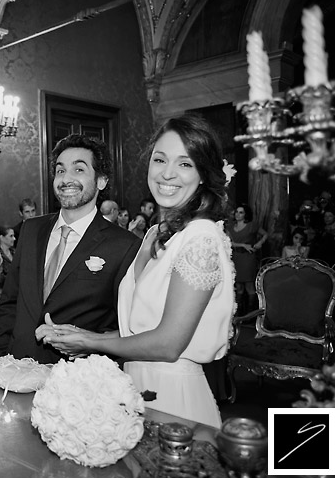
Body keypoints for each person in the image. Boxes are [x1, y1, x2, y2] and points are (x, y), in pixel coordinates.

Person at [38, 114, 236, 428]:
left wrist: (91, 343)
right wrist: (81, 334)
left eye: (185, 164)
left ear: (203, 174)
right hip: (133, 388)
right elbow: (140, 331)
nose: (168, 173)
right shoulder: (155, 233)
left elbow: (168, 344)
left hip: (174, 399)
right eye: (160, 159)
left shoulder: (201, 237)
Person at [0, 134, 140, 364]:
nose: (66, 178)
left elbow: (123, 326)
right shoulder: (31, 229)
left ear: (101, 181)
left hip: (74, 380)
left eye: (78, 170)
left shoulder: (124, 245)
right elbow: (10, 303)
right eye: (60, 170)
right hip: (15, 369)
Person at [227, 203, 268, 314]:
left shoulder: (252, 225)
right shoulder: (230, 226)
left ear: (246, 214)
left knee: (249, 286)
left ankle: (251, 314)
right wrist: (242, 245)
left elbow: (265, 234)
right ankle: (239, 313)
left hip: (248, 258)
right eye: (236, 212)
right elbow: (228, 242)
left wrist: (259, 243)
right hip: (236, 257)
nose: (238, 214)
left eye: (241, 212)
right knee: (238, 286)